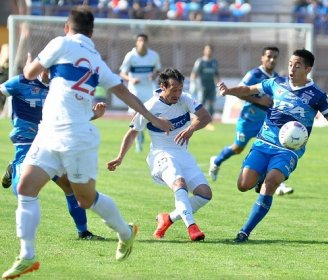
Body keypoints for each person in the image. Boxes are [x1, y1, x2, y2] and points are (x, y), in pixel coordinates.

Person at [2, 6, 173, 279]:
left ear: (67, 28)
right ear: (92, 32)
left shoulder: (60, 43)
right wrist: (153, 117)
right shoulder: (96, 60)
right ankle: (27, 256)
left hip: (75, 136)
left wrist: (38, 65)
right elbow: (124, 92)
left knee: (85, 199)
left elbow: (31, 73)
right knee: (26, 187)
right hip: (49, 133)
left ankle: (126, 233)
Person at [217, 49, 328, 243]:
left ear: (308, 68)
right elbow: (248, 90)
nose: (292, 68)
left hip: (289, 150)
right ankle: (260, 177)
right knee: (243, 185)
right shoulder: (276, 83)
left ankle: (244, 232)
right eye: (290, 64)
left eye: (297, 65)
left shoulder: (317, 95)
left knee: (271, 183)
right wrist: (228, 90)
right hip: (264, 142)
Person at [107, 68, 212, 241]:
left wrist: (191, 128)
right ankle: (192, 227)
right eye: (174, 90)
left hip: (182, 154)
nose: (178, 94)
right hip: (161, 155)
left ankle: (167, 219)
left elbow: (205, 116)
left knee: (205, 194)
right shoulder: (150, 106)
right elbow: (133, 132)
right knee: (180, 184)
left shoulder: (185, 98)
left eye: (180, 89)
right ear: (163, 86)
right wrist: (119, 157)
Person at [0, 70, 105, 240]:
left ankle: (84, 232)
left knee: (70, 186)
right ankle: (15, 169)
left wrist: (94, 114)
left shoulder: (62, 90)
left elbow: (72, 117)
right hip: (26, 142)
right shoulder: (21, 82)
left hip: (50, 144)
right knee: (21, 190)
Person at [209, 46, 294, 195]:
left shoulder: (277, 79)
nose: (272, 60)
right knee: (237, 148)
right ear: (262, 58)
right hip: (248, 120)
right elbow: (240, 92)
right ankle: (216, 161)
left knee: (274, 150)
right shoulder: (254, 74)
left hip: (267, 123)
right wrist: (259, 100)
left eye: (275, 57)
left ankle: (276, 183)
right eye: (269, 56)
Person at [119, 33, 162, 152]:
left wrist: (154, 75)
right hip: (135, 90)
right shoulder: (131, 56)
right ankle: (138, 138)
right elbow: (122, 73)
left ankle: (152, 139)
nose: (142, 43)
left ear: (147, 43)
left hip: (149, 89)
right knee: (135, 114)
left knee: (150, 114)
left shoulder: (153, 55)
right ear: (136, 42)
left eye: (144, 40)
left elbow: (158, 70)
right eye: (140, 40)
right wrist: (131, 79)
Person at [190, 44, 220, 119]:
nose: (208, 51)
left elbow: (217, 74)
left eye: (210, 50)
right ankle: (198, 118)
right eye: (207, 50)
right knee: (201, 103)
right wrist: (193, 83)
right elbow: (194, 73)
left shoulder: (214, 62)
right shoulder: (200, 61)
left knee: (211, 103)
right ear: (204, 51)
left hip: (211, 86)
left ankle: (209, 119)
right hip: (202, 86)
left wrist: (219, 85)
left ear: (212, 51)